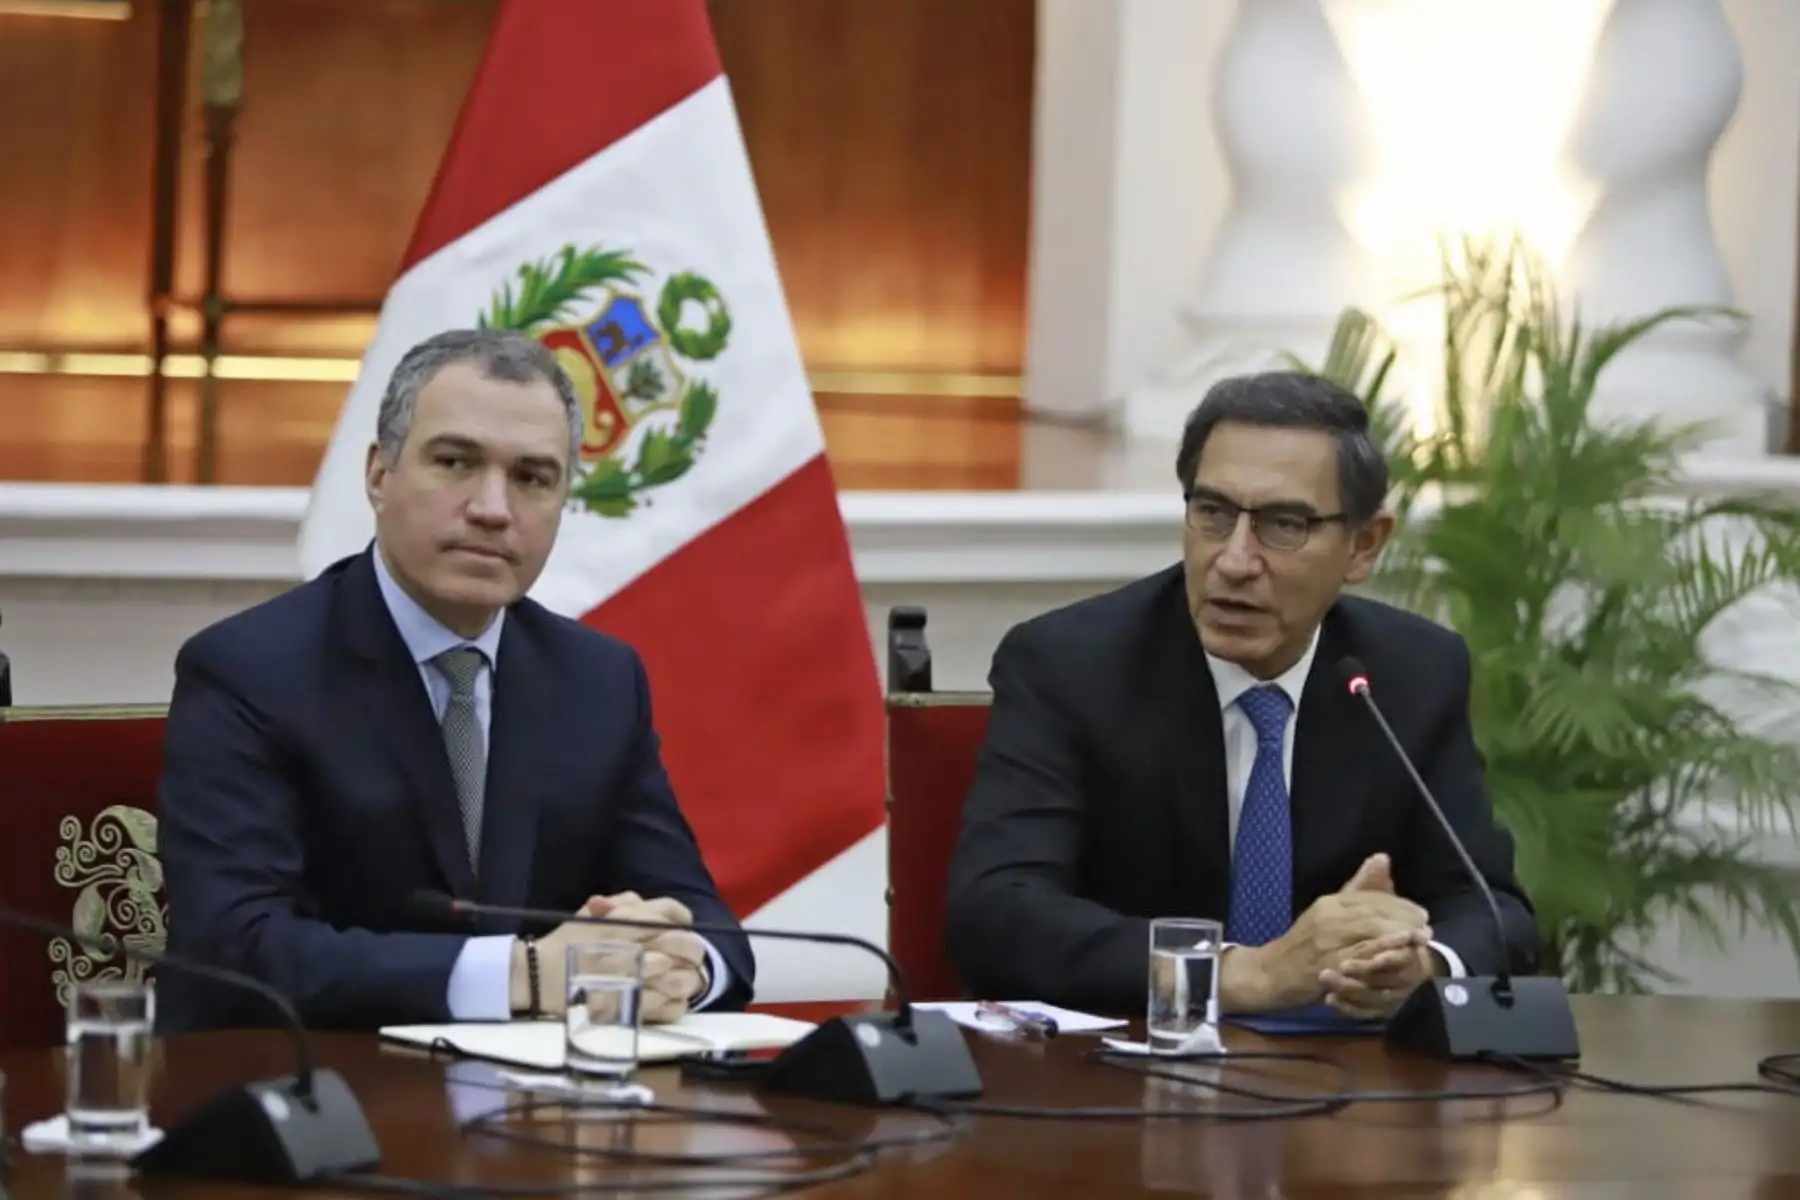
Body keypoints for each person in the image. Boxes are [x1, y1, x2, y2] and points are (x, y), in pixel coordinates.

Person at [156, 328, 754, 1033]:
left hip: (542, 1118)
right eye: (455, 462)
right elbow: (237, 949)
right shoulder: (249, 670)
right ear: (379, 475)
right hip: (319, 1100)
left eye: (533, 478)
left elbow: (710, 928)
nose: (494, 508)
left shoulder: (598, 680)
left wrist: (672, 964)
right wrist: (526, 975)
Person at [944, 370, 1538, 1021]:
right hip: (1120, 1081)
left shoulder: (1411, 673)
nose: (1233, 559)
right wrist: (1236, 974)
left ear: (1364, 545)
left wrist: (1419, 967)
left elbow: (1492, 911)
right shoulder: (1069, 666)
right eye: (1213, 513)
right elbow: (998, 913)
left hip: (1347, 1092)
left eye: (1284, 524)